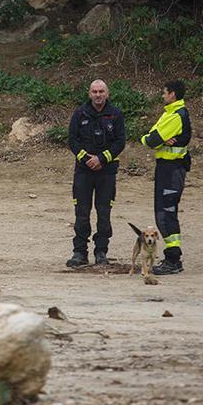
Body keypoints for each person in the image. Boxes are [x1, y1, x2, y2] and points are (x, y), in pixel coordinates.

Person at [66, 80, 126, 267]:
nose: (98, 95)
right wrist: (86, 159)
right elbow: (72, 140)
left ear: (107, 94)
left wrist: (102, 158)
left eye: (101, 91)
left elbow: (120, 141)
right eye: (94, 91)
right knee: (82, 213)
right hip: (83, 172)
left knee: (104, 213)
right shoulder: (79, 114)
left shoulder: (115, 115)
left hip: (106, 173)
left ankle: (101, 252)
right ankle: (79, 253)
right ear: (89, 93)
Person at [140, 80, 191, 275]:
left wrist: (154, 140)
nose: (162, 95)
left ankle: (173, 260)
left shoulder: (177, 115)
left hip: (172, 170)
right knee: (163, 213)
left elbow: (151, 140)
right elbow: (149, 138)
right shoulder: (169, 113)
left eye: (164, 93)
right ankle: (172, 258)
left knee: (166, 215)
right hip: (165, 168)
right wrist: (154, 139)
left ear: (173, 94)